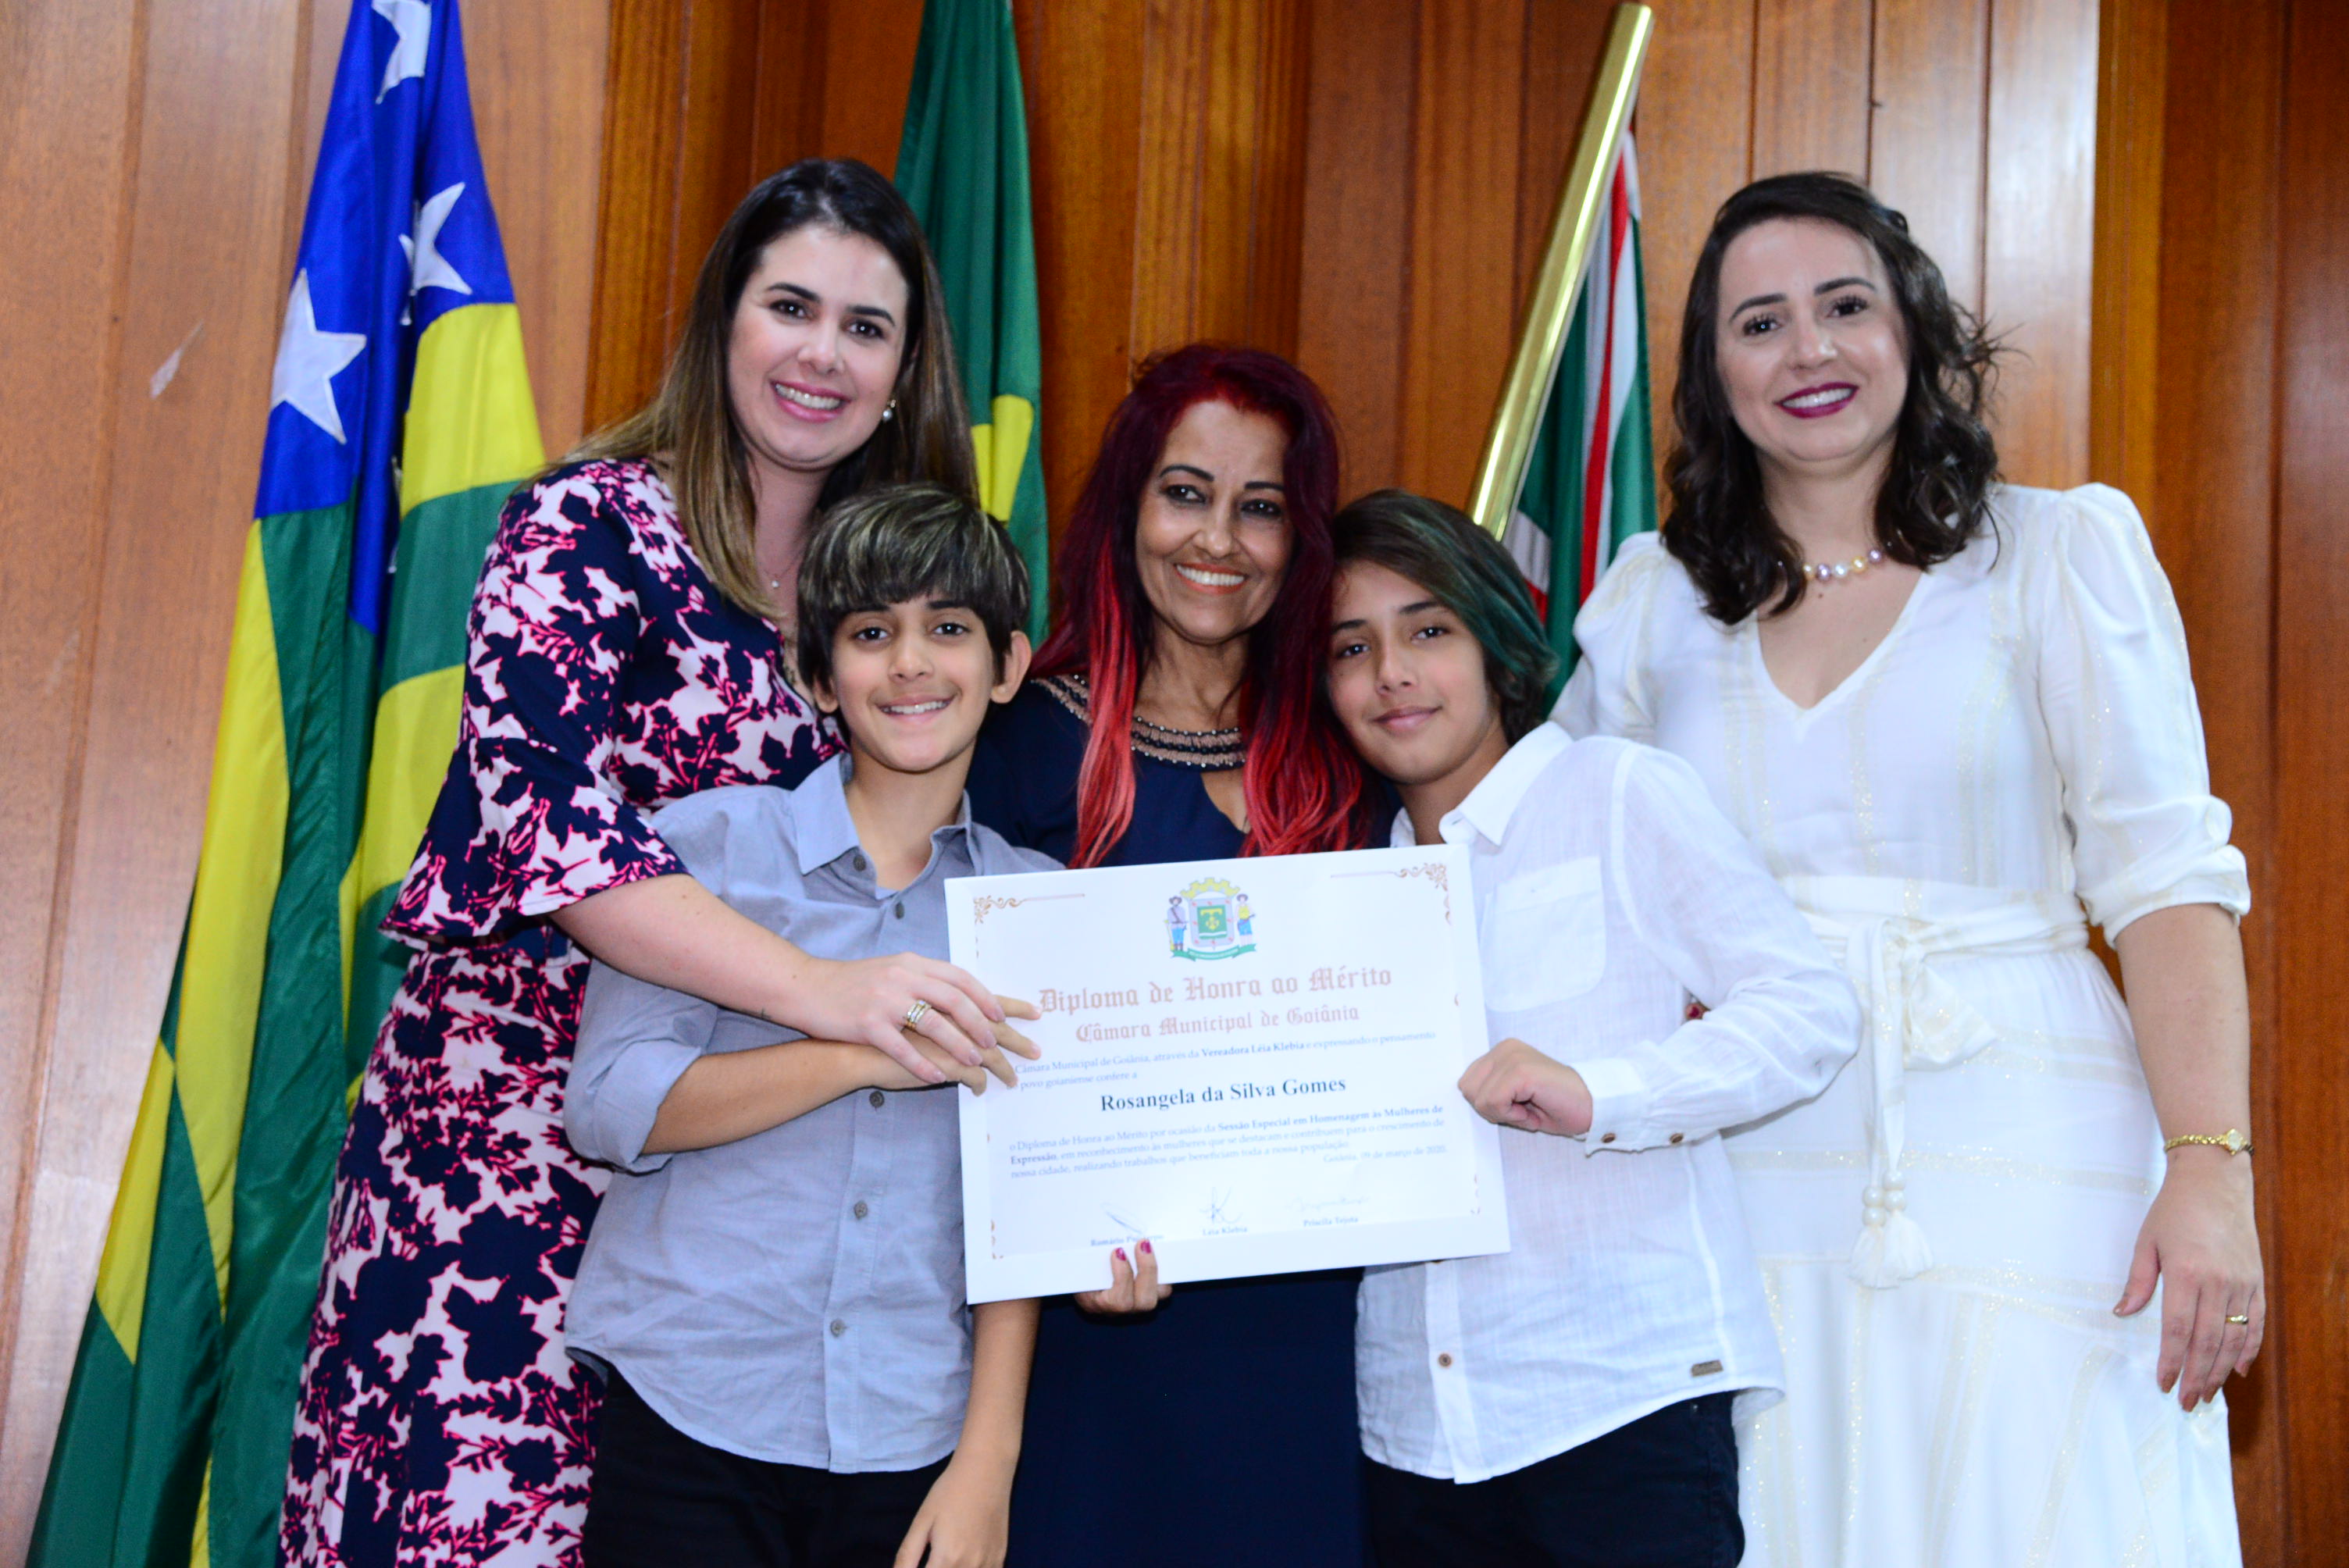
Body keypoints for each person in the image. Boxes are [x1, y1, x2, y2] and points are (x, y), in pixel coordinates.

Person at [283, 160, 1021, 1568]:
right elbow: (551, 828)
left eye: (865, 327)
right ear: (722, 321)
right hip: (512, 1148)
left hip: (765, 1190)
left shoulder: (891, 603)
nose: (823, 354)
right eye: (790, 307)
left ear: (905, 370)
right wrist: (828, 994)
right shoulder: (588, 529)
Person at [1557, 171, 2263, 1564]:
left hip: (2035, 1154)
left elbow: (2168, 884)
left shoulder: (2056, 555)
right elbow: (1573, 890)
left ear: (1915, 332)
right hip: (1750, 1160)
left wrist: (2211, 1173)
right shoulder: (1649, 603)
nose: (1808, 350)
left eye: (1845, 307)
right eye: (1760, 323)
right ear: (1712, 374)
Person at [1322, 490, 1856, 1568]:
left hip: (1620, 1404)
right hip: (1412, 1438)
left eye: (1429, 631)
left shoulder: (1614, 790)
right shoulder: (1340, 889)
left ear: (1494, 643)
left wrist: (1603, 1092)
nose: (1392, 674)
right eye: (1352, 647)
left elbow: (1808, 1007)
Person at [564, 485, 1051, 1568]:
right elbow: (609, 1107)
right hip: (689, 1405)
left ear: (1008, 665)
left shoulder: (1037, 907)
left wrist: (988, 1461)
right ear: (818, 675)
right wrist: (855, 1051)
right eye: (872, 634)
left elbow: (1028, 1210)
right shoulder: (702, 851)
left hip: (914, 1435)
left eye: (949, 629)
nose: (911, 664)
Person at [965, 344, 1382, 1565]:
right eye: (1186, 493)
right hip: (1082, 1347)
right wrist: (1062, 1236)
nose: (1218, 539)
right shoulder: (1014, 746)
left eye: (1261, 507)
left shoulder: (1354, 752)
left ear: (1301, 540)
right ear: (1127, 508)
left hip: (1308, 1343)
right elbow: (964, 1069)